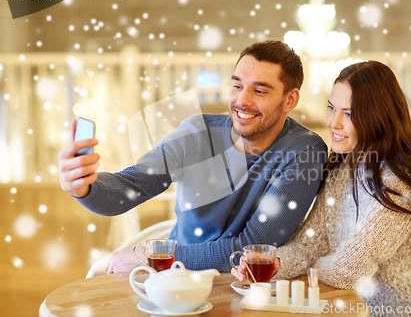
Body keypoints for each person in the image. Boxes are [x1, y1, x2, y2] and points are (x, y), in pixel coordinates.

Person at [58, 40, 328, 273]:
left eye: (259, 90)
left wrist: (149, 258)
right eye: (237, 86)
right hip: (175, 280)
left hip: (247, 286)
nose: (242, 101)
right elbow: (131, 186)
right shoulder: (198, 132)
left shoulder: (303, 150)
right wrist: (85, 187)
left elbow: (254, 247)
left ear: (290, 100)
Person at [232, 61, 411, 316]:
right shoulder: (343, 167)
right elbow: (308, 245)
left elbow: (348, 271)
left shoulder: (399, 181)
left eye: (348, 113)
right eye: (331, 108)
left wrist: (309, 266)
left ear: (378, 117)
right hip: (355, 306)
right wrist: (273, 264)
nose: (334, 123)